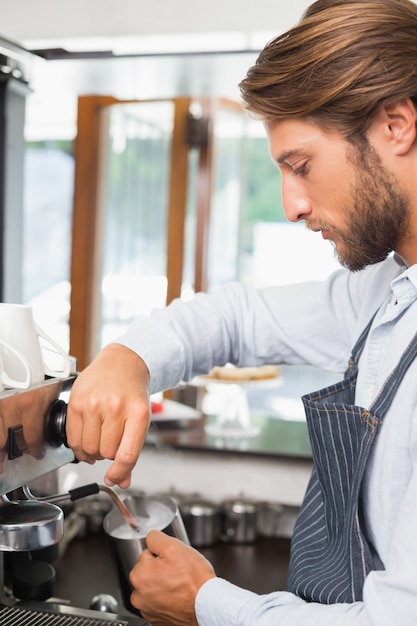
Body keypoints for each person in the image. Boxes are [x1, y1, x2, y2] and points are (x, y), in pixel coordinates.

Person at [67, 0, 417, 623]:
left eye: (301, 166)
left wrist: (207, 604)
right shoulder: (391, 289)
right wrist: (129, 358)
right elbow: (239, 318)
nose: (292, 205)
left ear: (396, 125)